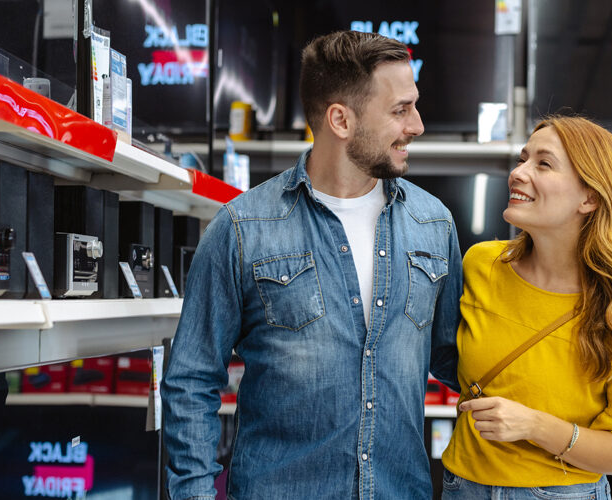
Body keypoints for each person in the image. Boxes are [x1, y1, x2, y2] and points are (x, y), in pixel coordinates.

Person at [161, 30, 462, 500]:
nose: (417, 125)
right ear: (340, 119)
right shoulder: (243, 228)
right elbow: (191, 382)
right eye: (400, 110)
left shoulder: (433, 224)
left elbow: (456, 359)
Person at [440, 115, 612, 498]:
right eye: (522, 159)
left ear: (589, 198)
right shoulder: (480, 264)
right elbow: (446, 358)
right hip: (462, 487)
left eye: (543, 164)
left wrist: (535, 426)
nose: (518, 173)